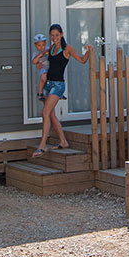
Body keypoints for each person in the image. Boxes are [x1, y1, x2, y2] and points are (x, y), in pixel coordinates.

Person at [33, 24, 94, 157]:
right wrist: (39, 64)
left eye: (57, 35)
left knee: (45, 112)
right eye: (52, 35)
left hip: (58, 85)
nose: (54, 37)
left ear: (61, 34)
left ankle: (42, 145)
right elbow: (43, 63)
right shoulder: (51, 48)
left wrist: (88, 51)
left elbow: (82, 60)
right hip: (48, 84)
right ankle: (63, 141)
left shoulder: (67, 49)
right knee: (51, 115)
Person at [32, 33, 49, 102]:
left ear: (46, 44)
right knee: (43, 78)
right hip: (44, 68)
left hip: (51, 68)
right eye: (39, 45)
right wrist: (39, 56)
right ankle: (40, 93)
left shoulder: (48, 49)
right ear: (35, 45)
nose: (41, 47)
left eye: (43, 45)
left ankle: (59, 93)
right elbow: (34, 62)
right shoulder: (36, 53)